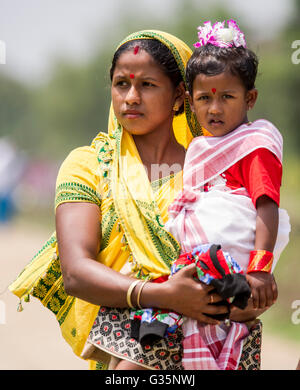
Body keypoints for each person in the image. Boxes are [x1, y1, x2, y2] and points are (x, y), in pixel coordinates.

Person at [9, 29, 271, 371]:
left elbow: (242, 261)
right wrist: (164, 295)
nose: (131, 97)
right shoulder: (89, 165)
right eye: (121, 84)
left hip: (214, 346)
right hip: (131, 352)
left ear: (179, 95)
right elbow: (76, 272)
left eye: (147, 85)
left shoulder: (215, 168)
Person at [162, 20, 290, 369]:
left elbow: (265, 205)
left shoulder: (254, 145)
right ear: (190, 100)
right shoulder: (201, 147)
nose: (214, 109)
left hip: (237, 268)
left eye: (227, 97)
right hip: (202, 266)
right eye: (204, 98)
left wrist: (260, 268)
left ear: (250, 98)